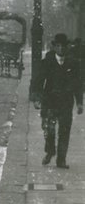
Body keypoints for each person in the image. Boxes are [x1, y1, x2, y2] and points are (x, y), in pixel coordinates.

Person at [34, 33, 83, 169]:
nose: (61, 49)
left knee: (64, 131)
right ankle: (50, 151)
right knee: (48, 129)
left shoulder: (74, 64)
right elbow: (38, 81)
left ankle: (61, 159)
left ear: (67, 47)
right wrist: (37, 98)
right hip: (49, 101)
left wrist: (79, 102)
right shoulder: (47, 62)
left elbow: (78, 85)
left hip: (66, 102)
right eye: (58, 46)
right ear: (54, 47)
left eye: (63, 46)